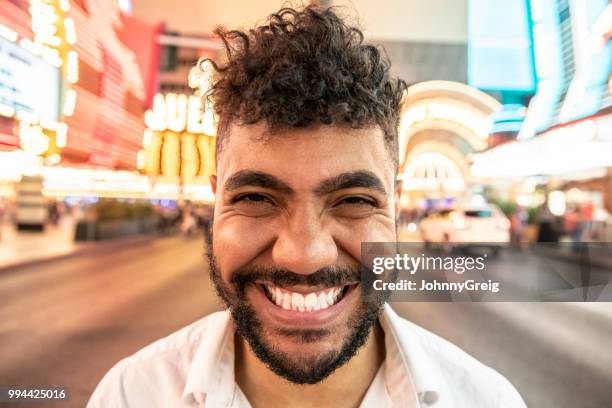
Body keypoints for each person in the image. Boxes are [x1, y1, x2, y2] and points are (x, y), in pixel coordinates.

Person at [88, 6, 525, 408]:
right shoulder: (131, 394)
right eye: (256, 199)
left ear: (394, 205)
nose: (304, 255)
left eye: (353, 201)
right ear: (216, 198)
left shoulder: (486, 400)